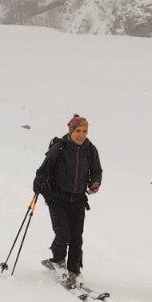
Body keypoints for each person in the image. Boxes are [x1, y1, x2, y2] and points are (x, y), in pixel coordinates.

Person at [33, 115, 102, 286]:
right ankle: (57, 260)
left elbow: (96, 170)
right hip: (57, 198)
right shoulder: (60, 148)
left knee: (77, 237)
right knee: (64, 234)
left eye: (84, 131)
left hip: (78, 199)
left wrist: (95, 183)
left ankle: (74, 270)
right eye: (78, 131)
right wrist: (39, 184)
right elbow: (42, 171)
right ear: (71, 131)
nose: (81, 135)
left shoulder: (90, 149)